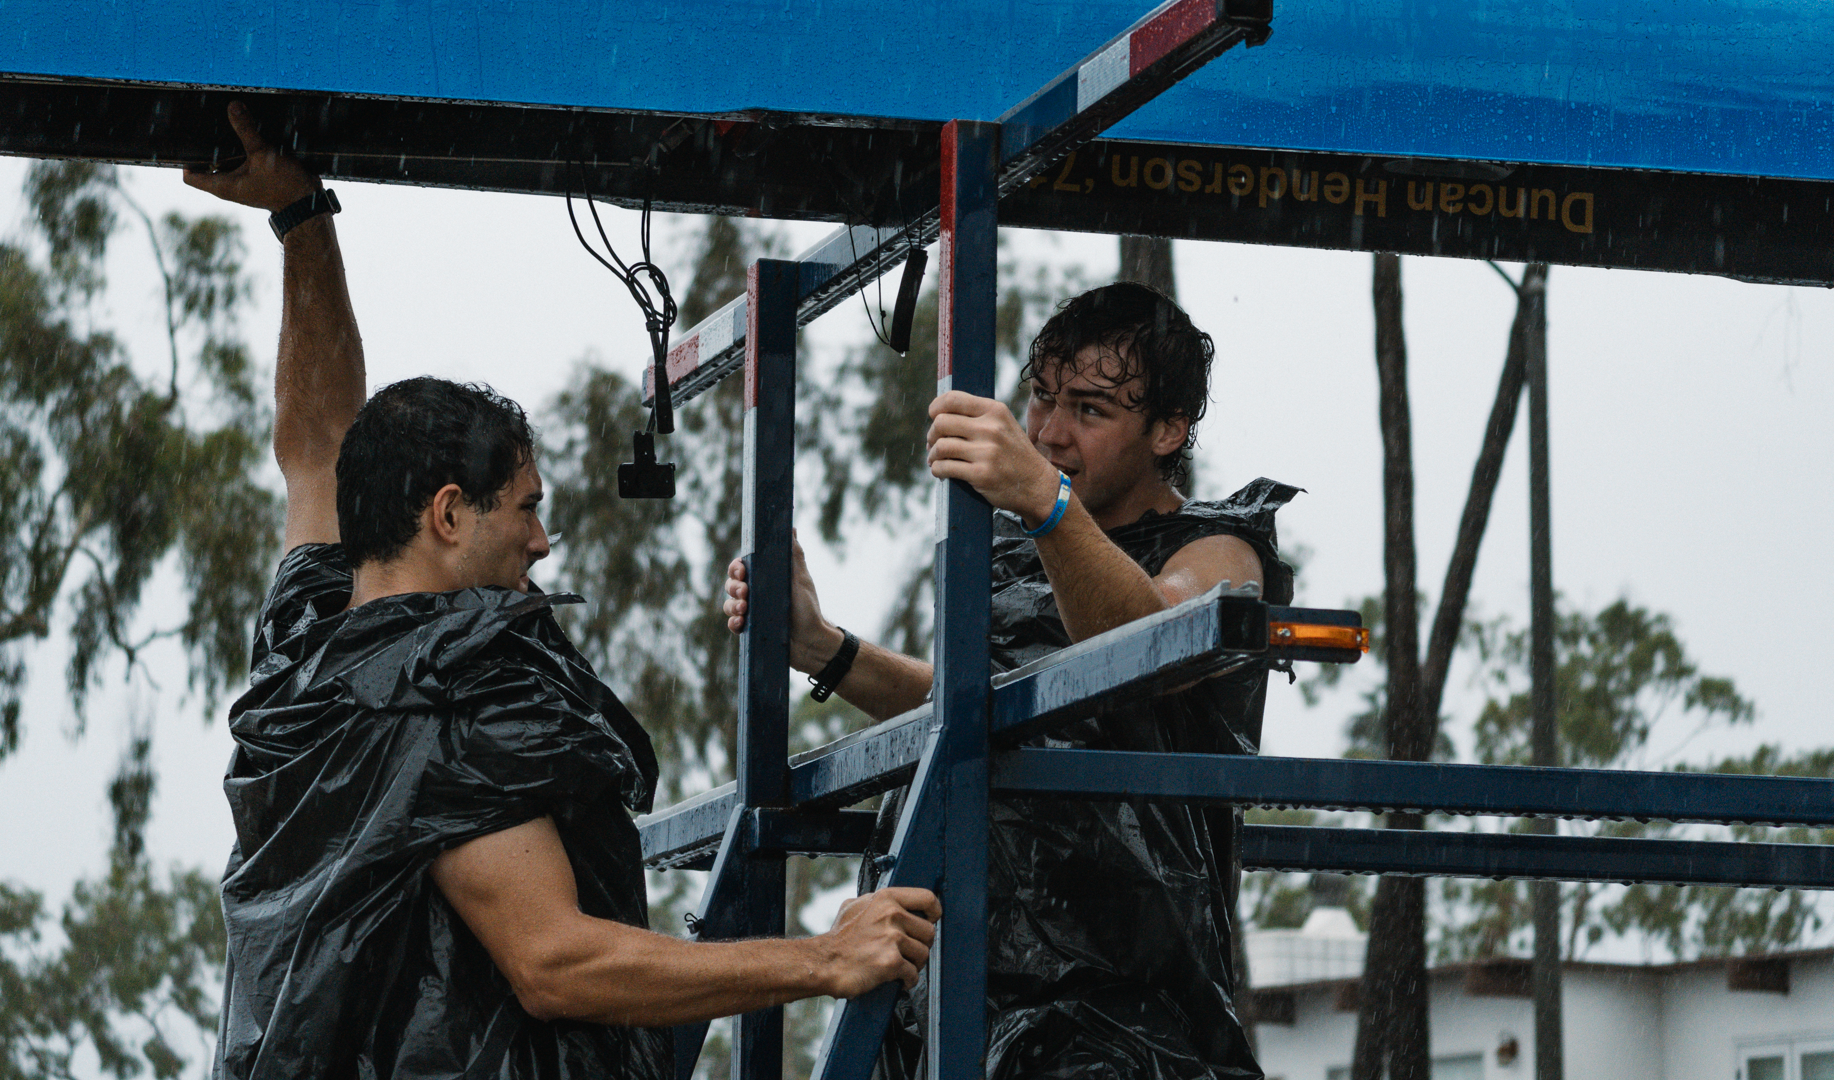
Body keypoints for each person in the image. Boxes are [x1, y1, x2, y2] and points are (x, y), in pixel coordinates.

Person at [189, 102, 941, 1080]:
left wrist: (301, 221)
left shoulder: (308, 638)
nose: (543, 542)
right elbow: (552, 963)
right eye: (525, 511)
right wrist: (823, 958)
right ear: (450, 514)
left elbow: (317, 442)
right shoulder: (452, 686)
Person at [723, 281, 1297, 1080]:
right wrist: (824, 648)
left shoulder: (1219, 551)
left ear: (1169, 430)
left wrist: (1041, 499)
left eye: (1089, 411)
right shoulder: (1013, 545)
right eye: (1040, 398)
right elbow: (967, 705)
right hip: (951, 962)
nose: (1050, 434)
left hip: (1121, 1003)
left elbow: (1145, 648)